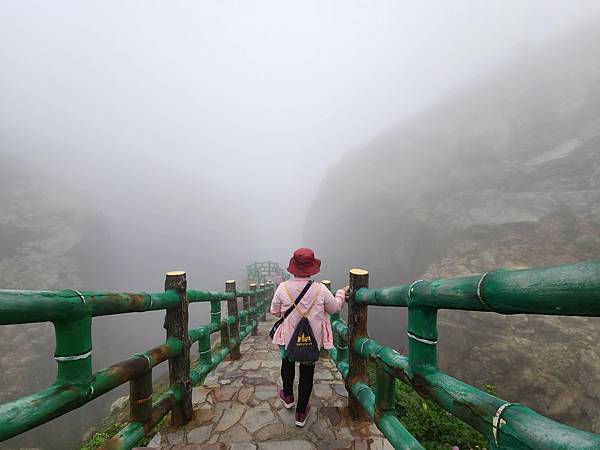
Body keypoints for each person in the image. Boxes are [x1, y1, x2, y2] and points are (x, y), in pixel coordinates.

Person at [270, 247, 346, 427]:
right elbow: (335, 308)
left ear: (293, 266)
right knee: (307, 373)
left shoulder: (282, 287)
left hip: (288, 338)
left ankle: (287, 396)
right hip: (311, 341)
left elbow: (274, 312)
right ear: (311, 267)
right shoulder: (320, 290)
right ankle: (301, 412)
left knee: (287, 362)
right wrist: (341, 293)